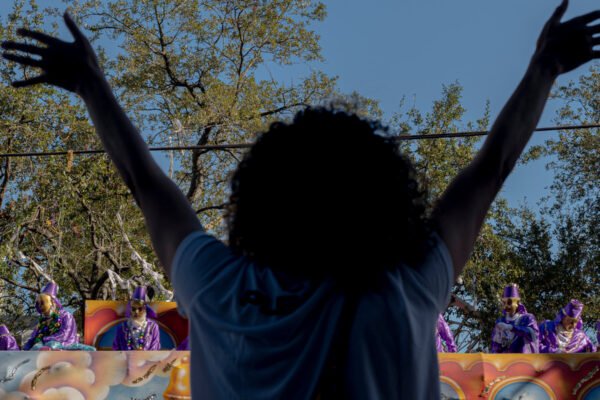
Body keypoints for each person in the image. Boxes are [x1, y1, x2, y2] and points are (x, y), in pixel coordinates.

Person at [2, 1, 598, 397]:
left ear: (258, 201)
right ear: (384, 201)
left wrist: (91, 84)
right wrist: (544, 66)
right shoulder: (407, 288)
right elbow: (490, 169)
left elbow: (144, 180)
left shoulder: (221, 288)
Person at [23, 282, 95, 351]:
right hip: (44, 345)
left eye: (42, 303)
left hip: (63, 343)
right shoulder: (42, 320)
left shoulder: (66, 315)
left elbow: (66, 333)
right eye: (38, 304)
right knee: (36, 347)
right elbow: (35, 336)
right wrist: (28, 345)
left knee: (51, 344)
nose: (40, 306)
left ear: (52, 302)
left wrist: (47, 339)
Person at [491, 284, 539, 353]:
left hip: (524, 358)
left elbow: (533, 334)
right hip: (506, 359)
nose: (506, 306)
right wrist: (497, 340)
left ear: (517, 303)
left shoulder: (527, 318)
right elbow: (495, 347)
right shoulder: (501, 320)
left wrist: (511, 327)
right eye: (504, 303)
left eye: (509, 302)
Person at [113, 286, 161, 351]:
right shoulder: (121, 328)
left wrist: (143, 355)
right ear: (130, 309)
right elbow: (116, 349)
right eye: (133, 309)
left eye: (140, 309)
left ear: (145, 309)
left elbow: (155, 348)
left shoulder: (153, 327)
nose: (136, 312)